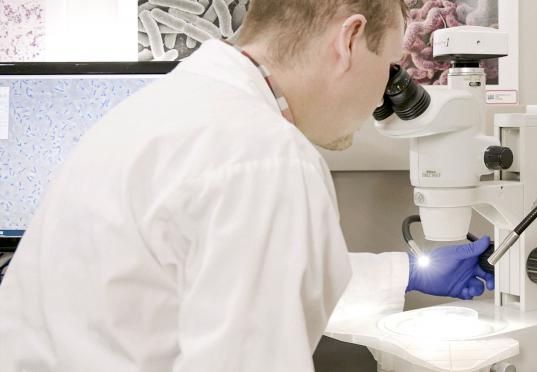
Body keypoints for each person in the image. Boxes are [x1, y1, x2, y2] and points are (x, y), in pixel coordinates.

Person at [0, 0, 494, 371]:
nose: (382, 94)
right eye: (389, 68)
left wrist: (404, 272)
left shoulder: (172, 107)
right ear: (349, 39)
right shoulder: (266, 157)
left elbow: (198, 279)